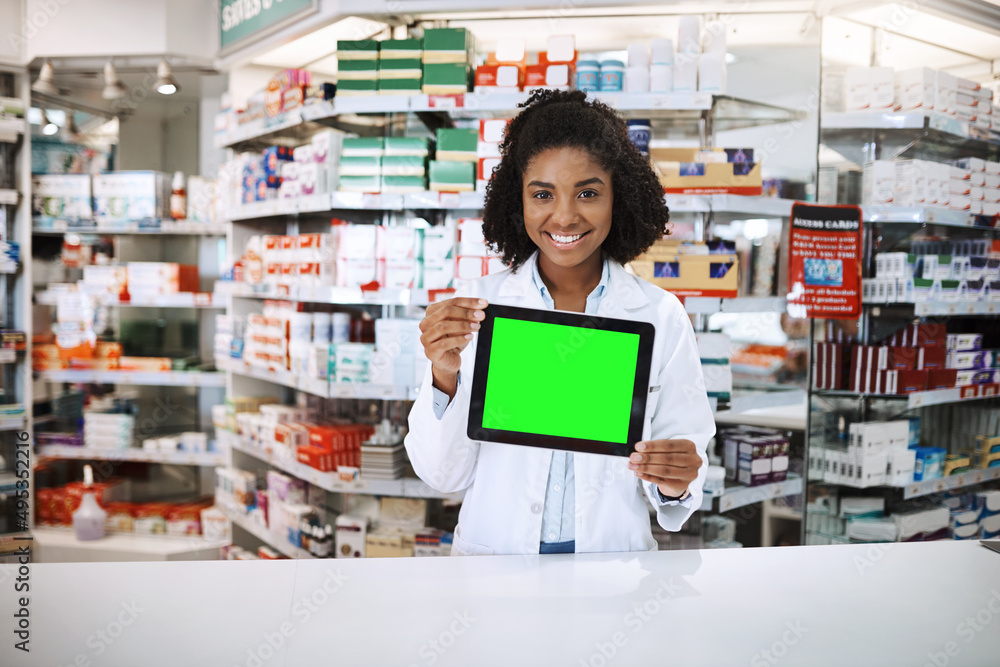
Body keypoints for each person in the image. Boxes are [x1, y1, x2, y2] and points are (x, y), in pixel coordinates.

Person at [404, 89, 715, 556]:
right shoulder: (474, 312)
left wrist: (676, 478)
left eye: (588, 193)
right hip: (496, 564)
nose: (565, 215)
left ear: (619, 198)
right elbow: (443, 475)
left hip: (611, 566)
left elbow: (678, 473)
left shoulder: (659, 315)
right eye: (543, 194)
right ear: (519, 201)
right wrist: (444, 377)